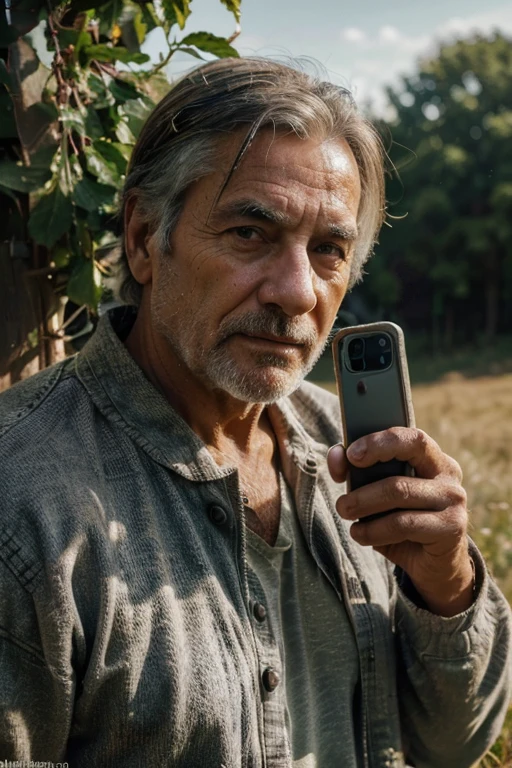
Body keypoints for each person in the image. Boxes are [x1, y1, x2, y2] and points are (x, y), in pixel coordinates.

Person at [0, 57, 510, 768]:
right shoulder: (20, 504)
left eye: (329, 249)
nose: (298, 291)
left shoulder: (350, 448)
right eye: (250, 233)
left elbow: (453, 742)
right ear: (146, 239)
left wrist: (447, 584)